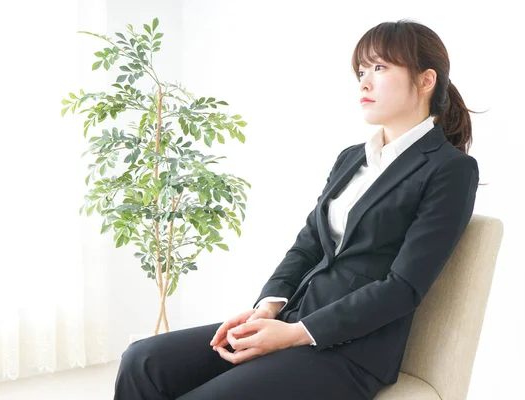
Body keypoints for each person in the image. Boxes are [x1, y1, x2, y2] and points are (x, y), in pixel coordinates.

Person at [113, 18, 481, 400]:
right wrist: (268, 308)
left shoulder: (449, 169)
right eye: (361, 70)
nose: (364, 82)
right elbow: (308, 244)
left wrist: (294, 334)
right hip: (292, 318)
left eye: (380, 68)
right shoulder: (352, 158)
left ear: (425, 80)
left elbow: (403, 288)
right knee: (142, 360)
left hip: (350, 351)